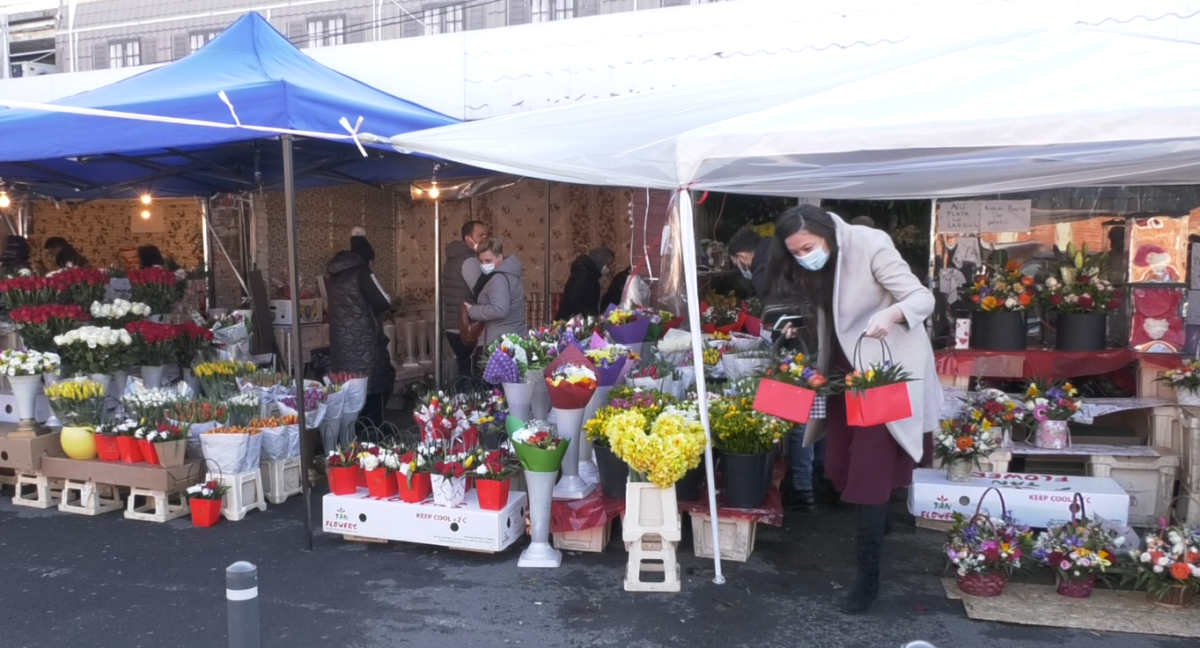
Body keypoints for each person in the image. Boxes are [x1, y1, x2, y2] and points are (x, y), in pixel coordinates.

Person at [767, 205, 939, 615]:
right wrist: (796, 325)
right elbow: (832, 313)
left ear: (825, 233)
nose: (804, 256)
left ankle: (868, 577)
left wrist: (892, 313)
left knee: (869, 473)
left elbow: (922, 297)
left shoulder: (870, 244)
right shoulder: (814, 263)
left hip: (884, 374)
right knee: (844, 466)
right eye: (796, 252)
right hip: (844, 373)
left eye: (808, 247)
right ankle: (880, 519)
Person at [730, 227, 821, 509]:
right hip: (818, 343)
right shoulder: (786, 252)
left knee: (795, 417)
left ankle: (802, 488)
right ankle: (816, 478)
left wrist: (784, 327)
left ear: (742, 256)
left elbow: (779, 313)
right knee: (815, 412)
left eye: (737, 263)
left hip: (796, 353)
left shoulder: (763, 270)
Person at [326, 227, 395, 429]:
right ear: (366, 256)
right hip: (365, 343)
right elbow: (383, 302)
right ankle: (372, 431)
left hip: (341, 345)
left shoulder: (334, 276)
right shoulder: (362, 272)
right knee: (373, 384)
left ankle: (351, 432)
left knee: (349, 388)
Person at [442, 220, 488, 378]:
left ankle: (460, 394)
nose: (485, 238)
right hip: (467, 325)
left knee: (464, 367)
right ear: (469, 238)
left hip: (453, 324)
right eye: (481, 235)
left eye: (486, 235)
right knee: (472, 372)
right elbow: (481, 291)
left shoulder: (453, 258)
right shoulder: (469, 260)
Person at [468, 239, 526, 346]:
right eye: (481, 261)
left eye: (488, 260)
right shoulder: (511, 273)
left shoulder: (498, 278)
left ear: (500, 257)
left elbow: (499, 310)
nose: (484, 264)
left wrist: (471, 310)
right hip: (515, 336)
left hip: (498, 341)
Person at [556, 247, 613, 320]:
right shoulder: (584, 274)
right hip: (571, 320)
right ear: (601, 260)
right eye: (607, 264)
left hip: (577, 319)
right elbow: (573, 300)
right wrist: (591, 314)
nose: (608, 268)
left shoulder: (590, 274)